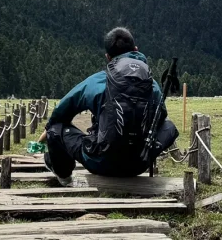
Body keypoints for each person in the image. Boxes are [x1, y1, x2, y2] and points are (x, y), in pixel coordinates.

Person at [33, 27, 178, 185]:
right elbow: (160, 118)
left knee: (55, 129)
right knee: (169, 126)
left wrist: (49, 131)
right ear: (136, 50)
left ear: (108, 57)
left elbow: (61, 113)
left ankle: (64, 176)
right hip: (139, 163)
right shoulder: (152, 85)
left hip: (101, 163)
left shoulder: (98, 81)